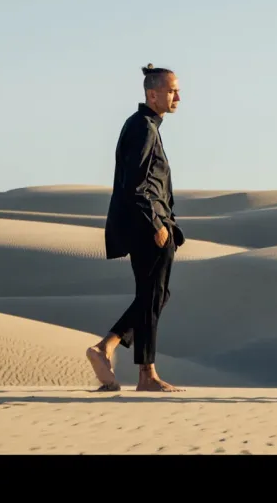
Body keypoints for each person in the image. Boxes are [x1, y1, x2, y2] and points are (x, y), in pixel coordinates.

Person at [86, 64, 185, 392]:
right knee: (153, 296)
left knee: (154, 296)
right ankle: (144, 373)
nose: (178, 98)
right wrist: (157, 224)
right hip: (148, 228)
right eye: (172, 91)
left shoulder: (144, 125)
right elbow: (135, 184)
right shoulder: (143, 128)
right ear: (152, 94)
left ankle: (109, 349)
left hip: (147, 225)